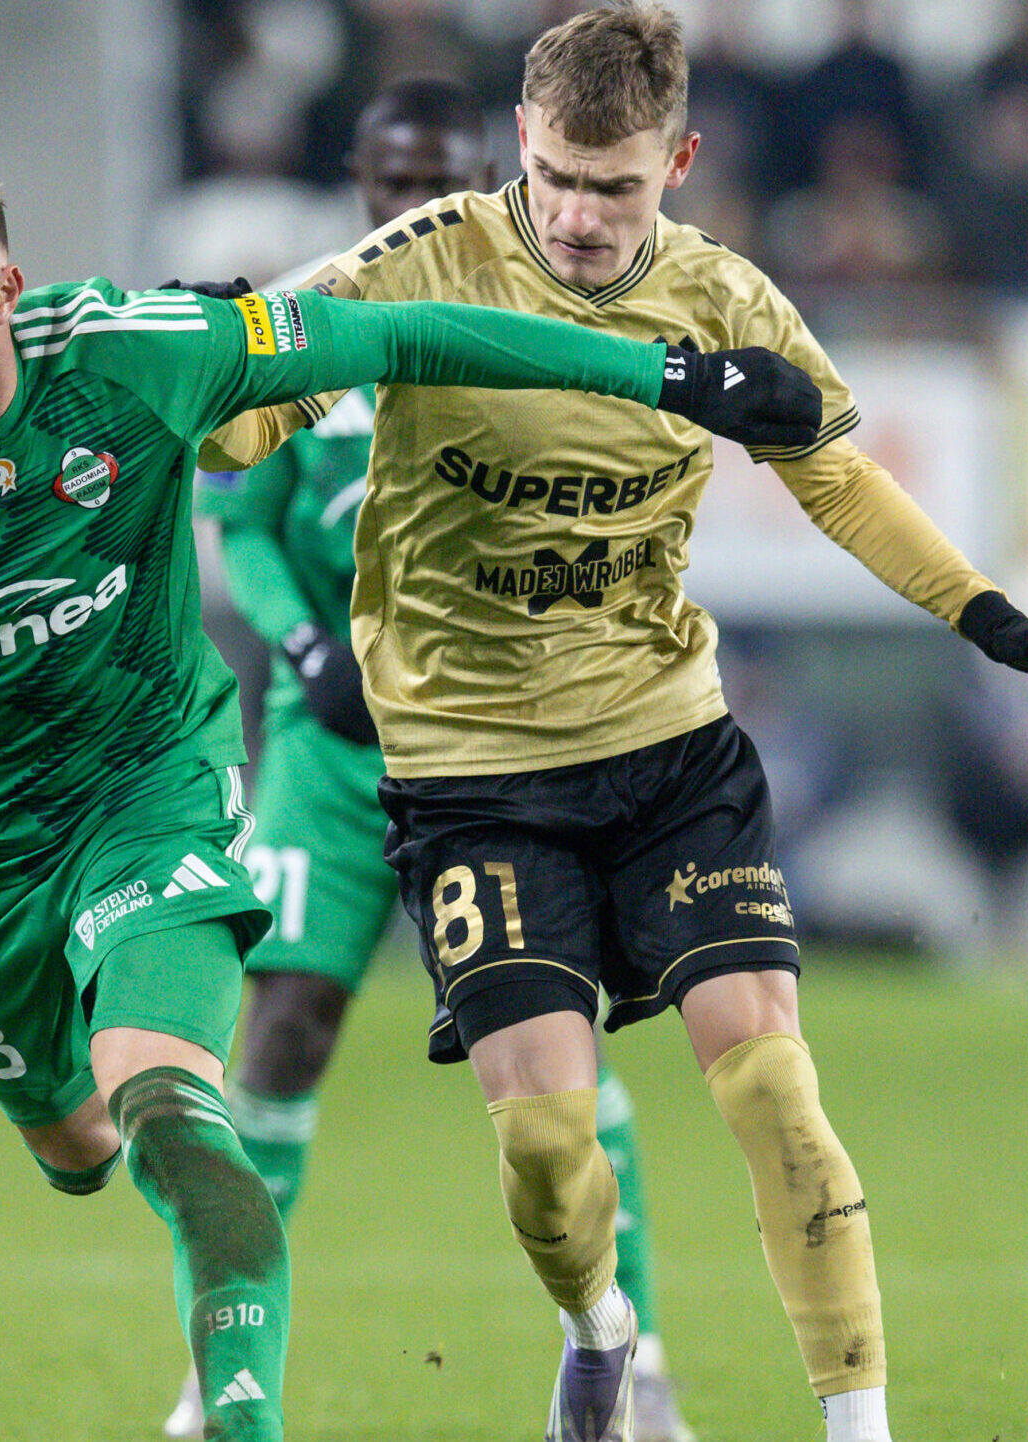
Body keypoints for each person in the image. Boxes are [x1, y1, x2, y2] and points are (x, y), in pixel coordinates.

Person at [0, 159, 831, 1442]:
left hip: (151, 787)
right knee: (81, 1149)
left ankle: (236, 1422)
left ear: (4, 291)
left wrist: (672, 375)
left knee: (181, 1123)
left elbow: (401, 330)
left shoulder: (145, 354)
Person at [198, 10, 1028, 1442]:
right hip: (474, 776)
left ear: (675, 161)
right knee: (551, 1151)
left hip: (668, 749)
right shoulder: (421, 263)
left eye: (614, 186)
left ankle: (860, 1430)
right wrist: (220, 368)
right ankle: (600, 1331)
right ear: (521, 146)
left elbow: (837, 475)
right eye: (555, 175)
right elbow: (241, 418)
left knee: (778, 1090)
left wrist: (990, 614)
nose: (577, 214)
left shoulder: (726, 297)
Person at [170, 74, 696, 1442]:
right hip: (331, 755)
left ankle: (630, 1364)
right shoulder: (299, 320)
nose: (418, 203)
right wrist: (297, 650)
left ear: (505, 176)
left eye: (444, 179)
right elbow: (246, 519)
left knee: (558, 1053)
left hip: (505, 759)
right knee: (278, 1030)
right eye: (393, 180)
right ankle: (222, 1382)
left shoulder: (559, 327)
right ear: (360, 179)